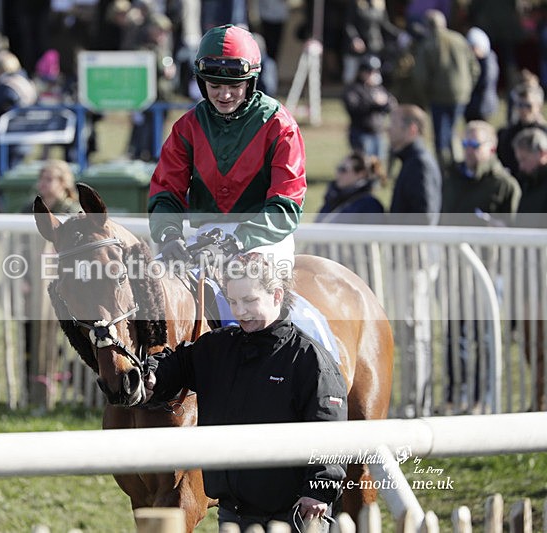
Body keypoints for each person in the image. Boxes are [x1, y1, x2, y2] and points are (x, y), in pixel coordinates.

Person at [133, 253, 347, 532]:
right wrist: (150, 376)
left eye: (249, 301)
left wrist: (319, 491)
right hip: (233, 511)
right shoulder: (217, 348)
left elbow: (330, 430)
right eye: (233, 302)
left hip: (295, 513)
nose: (240, 311)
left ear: (277, 295)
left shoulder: (310, 360)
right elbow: (175, 365)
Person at [149, 24, 305, 278]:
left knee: (249, 290)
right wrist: (169, 234)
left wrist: (235, 243)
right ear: (201, 82)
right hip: (206, 238)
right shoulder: (187, 127)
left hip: (264, 240)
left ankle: (281, 320)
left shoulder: (280, 126)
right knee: (151, 286)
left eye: (235, 86)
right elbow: (166, 191)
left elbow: (285, 206)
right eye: (215, 86)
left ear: (251, 82)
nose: (224, 95)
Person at [441, 120, 520, 411]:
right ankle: (453, 396)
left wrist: (496, 226)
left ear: (491, 148)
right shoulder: (452, 177)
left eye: (475, 146)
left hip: (488, 270)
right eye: (465, 145)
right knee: (453, 336)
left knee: (484, 337)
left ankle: (481, 399)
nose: (469, 152)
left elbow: (516, 229)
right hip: (454, 268)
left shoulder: (504, 184)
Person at [387, 104, 441, 417]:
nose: (387, 130)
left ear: (411, 129)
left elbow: (426, 217)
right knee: (408, 332)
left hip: (415, 263)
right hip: (407, 261)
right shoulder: (411, 161)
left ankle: (417, 404)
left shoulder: (420, 163)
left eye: (393, 124)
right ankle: (411, 400)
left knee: (415, 332)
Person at [411, 9, 479, 168]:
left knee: (441, 136)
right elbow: (475, 69)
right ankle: (455, 162)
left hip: (439, 96)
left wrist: (424, 97)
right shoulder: (459, 39)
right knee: (453, 130)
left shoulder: (428, 44)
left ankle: (445, 169)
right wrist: (467, 87)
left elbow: (420, 76)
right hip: (461, 94)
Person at [512, 127, 547, 410]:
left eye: (525, 159)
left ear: (541, 153)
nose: (521, 165)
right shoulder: (529, 183)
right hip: (528, 276)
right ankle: (538, 400)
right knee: (530, 344)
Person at [342, 54, 397, 164]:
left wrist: (384, 103)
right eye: (369, 71)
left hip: (378, 133)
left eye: (375, 72)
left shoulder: (378, 88)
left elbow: (392, 104)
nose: (372, 75)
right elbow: (353, 107)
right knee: (364, 165)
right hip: (361, 133)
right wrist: (374, 103)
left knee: (377, 166)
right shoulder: (354, 89)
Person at [315, 151, 385, 224]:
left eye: (343, 169)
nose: (337, 173)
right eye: (338, 168)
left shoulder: (370, 205)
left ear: (361, 174)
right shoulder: (333, 198)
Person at [497, 82, 547, 180]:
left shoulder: (544, 133)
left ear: (539, 106)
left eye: (528, 106)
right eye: (519, 105)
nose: (523, 110)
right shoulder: (507, 133)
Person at [463, 27, 499, 123]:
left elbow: (486, 81)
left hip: (482, 106)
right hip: (473, 105)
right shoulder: (475, 61)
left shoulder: (488, 61)